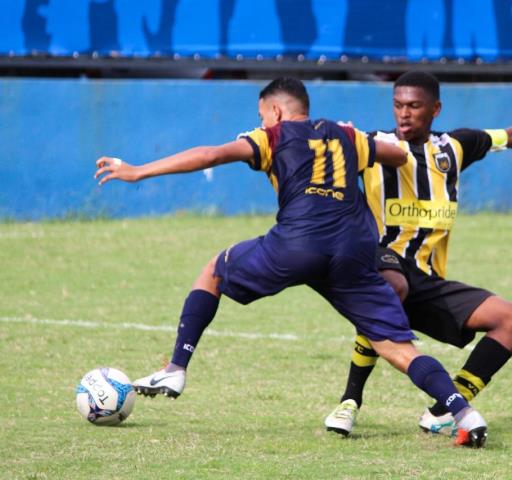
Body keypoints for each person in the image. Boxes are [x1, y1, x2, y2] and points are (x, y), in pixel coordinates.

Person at [94, 77, 489, 448]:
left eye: (262, 115)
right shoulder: (346, 134)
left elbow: (211, 154)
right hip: (354, 249)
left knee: (214, 271)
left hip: (299, 242)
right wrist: (356, 142)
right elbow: (396, 155)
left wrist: (138, 171)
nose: (260, 122)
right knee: (396, 347)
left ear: (276, 113)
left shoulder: (273, 135)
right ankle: (465, 414)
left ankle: (176, 368)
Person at [324, 71, 512, 438]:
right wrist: (337, 138)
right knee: (392, 284)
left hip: (428, 282)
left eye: (414, 106)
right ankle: (350, 401)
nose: (404, 114)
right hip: (381, 264)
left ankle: (444, 410)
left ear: (435, 109)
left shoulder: (454, 147)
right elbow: (329, 153)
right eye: (398, 105)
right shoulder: (373, 145)